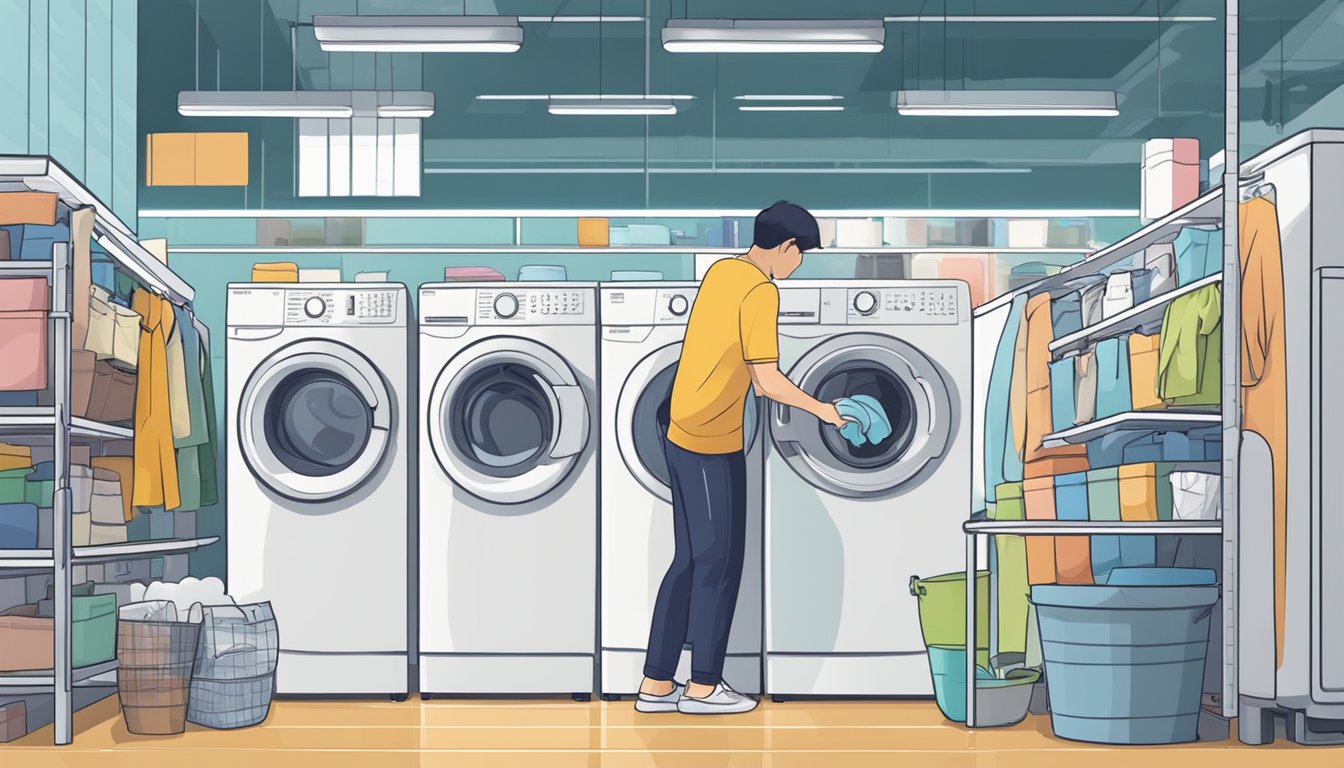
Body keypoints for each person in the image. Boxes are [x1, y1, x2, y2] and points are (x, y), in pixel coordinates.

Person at [637, 201, 849, 715]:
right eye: (801, 256)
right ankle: (704, 687)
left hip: (678, 423)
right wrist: (824, 408)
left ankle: (657, 683)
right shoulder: (760, 289)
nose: (799, 266)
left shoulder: (723, 272)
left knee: (688, 560)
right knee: (719, 561)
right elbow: (766, 379)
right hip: (710, 437)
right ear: (786, 248)